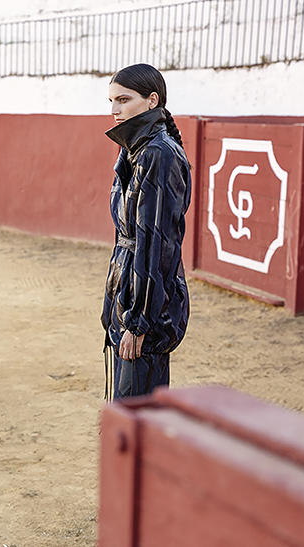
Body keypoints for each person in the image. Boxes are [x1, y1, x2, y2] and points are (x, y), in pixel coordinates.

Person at [101, 64, 191, 400]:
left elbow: (156, 246)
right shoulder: (134, 150)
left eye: (124, 100)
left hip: (146, 308)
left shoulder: (158, 154)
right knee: (129, 407)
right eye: (112, 101)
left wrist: (138, 322)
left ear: (152, 100)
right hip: (128, 294)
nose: (114, 109)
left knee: (137, 410)